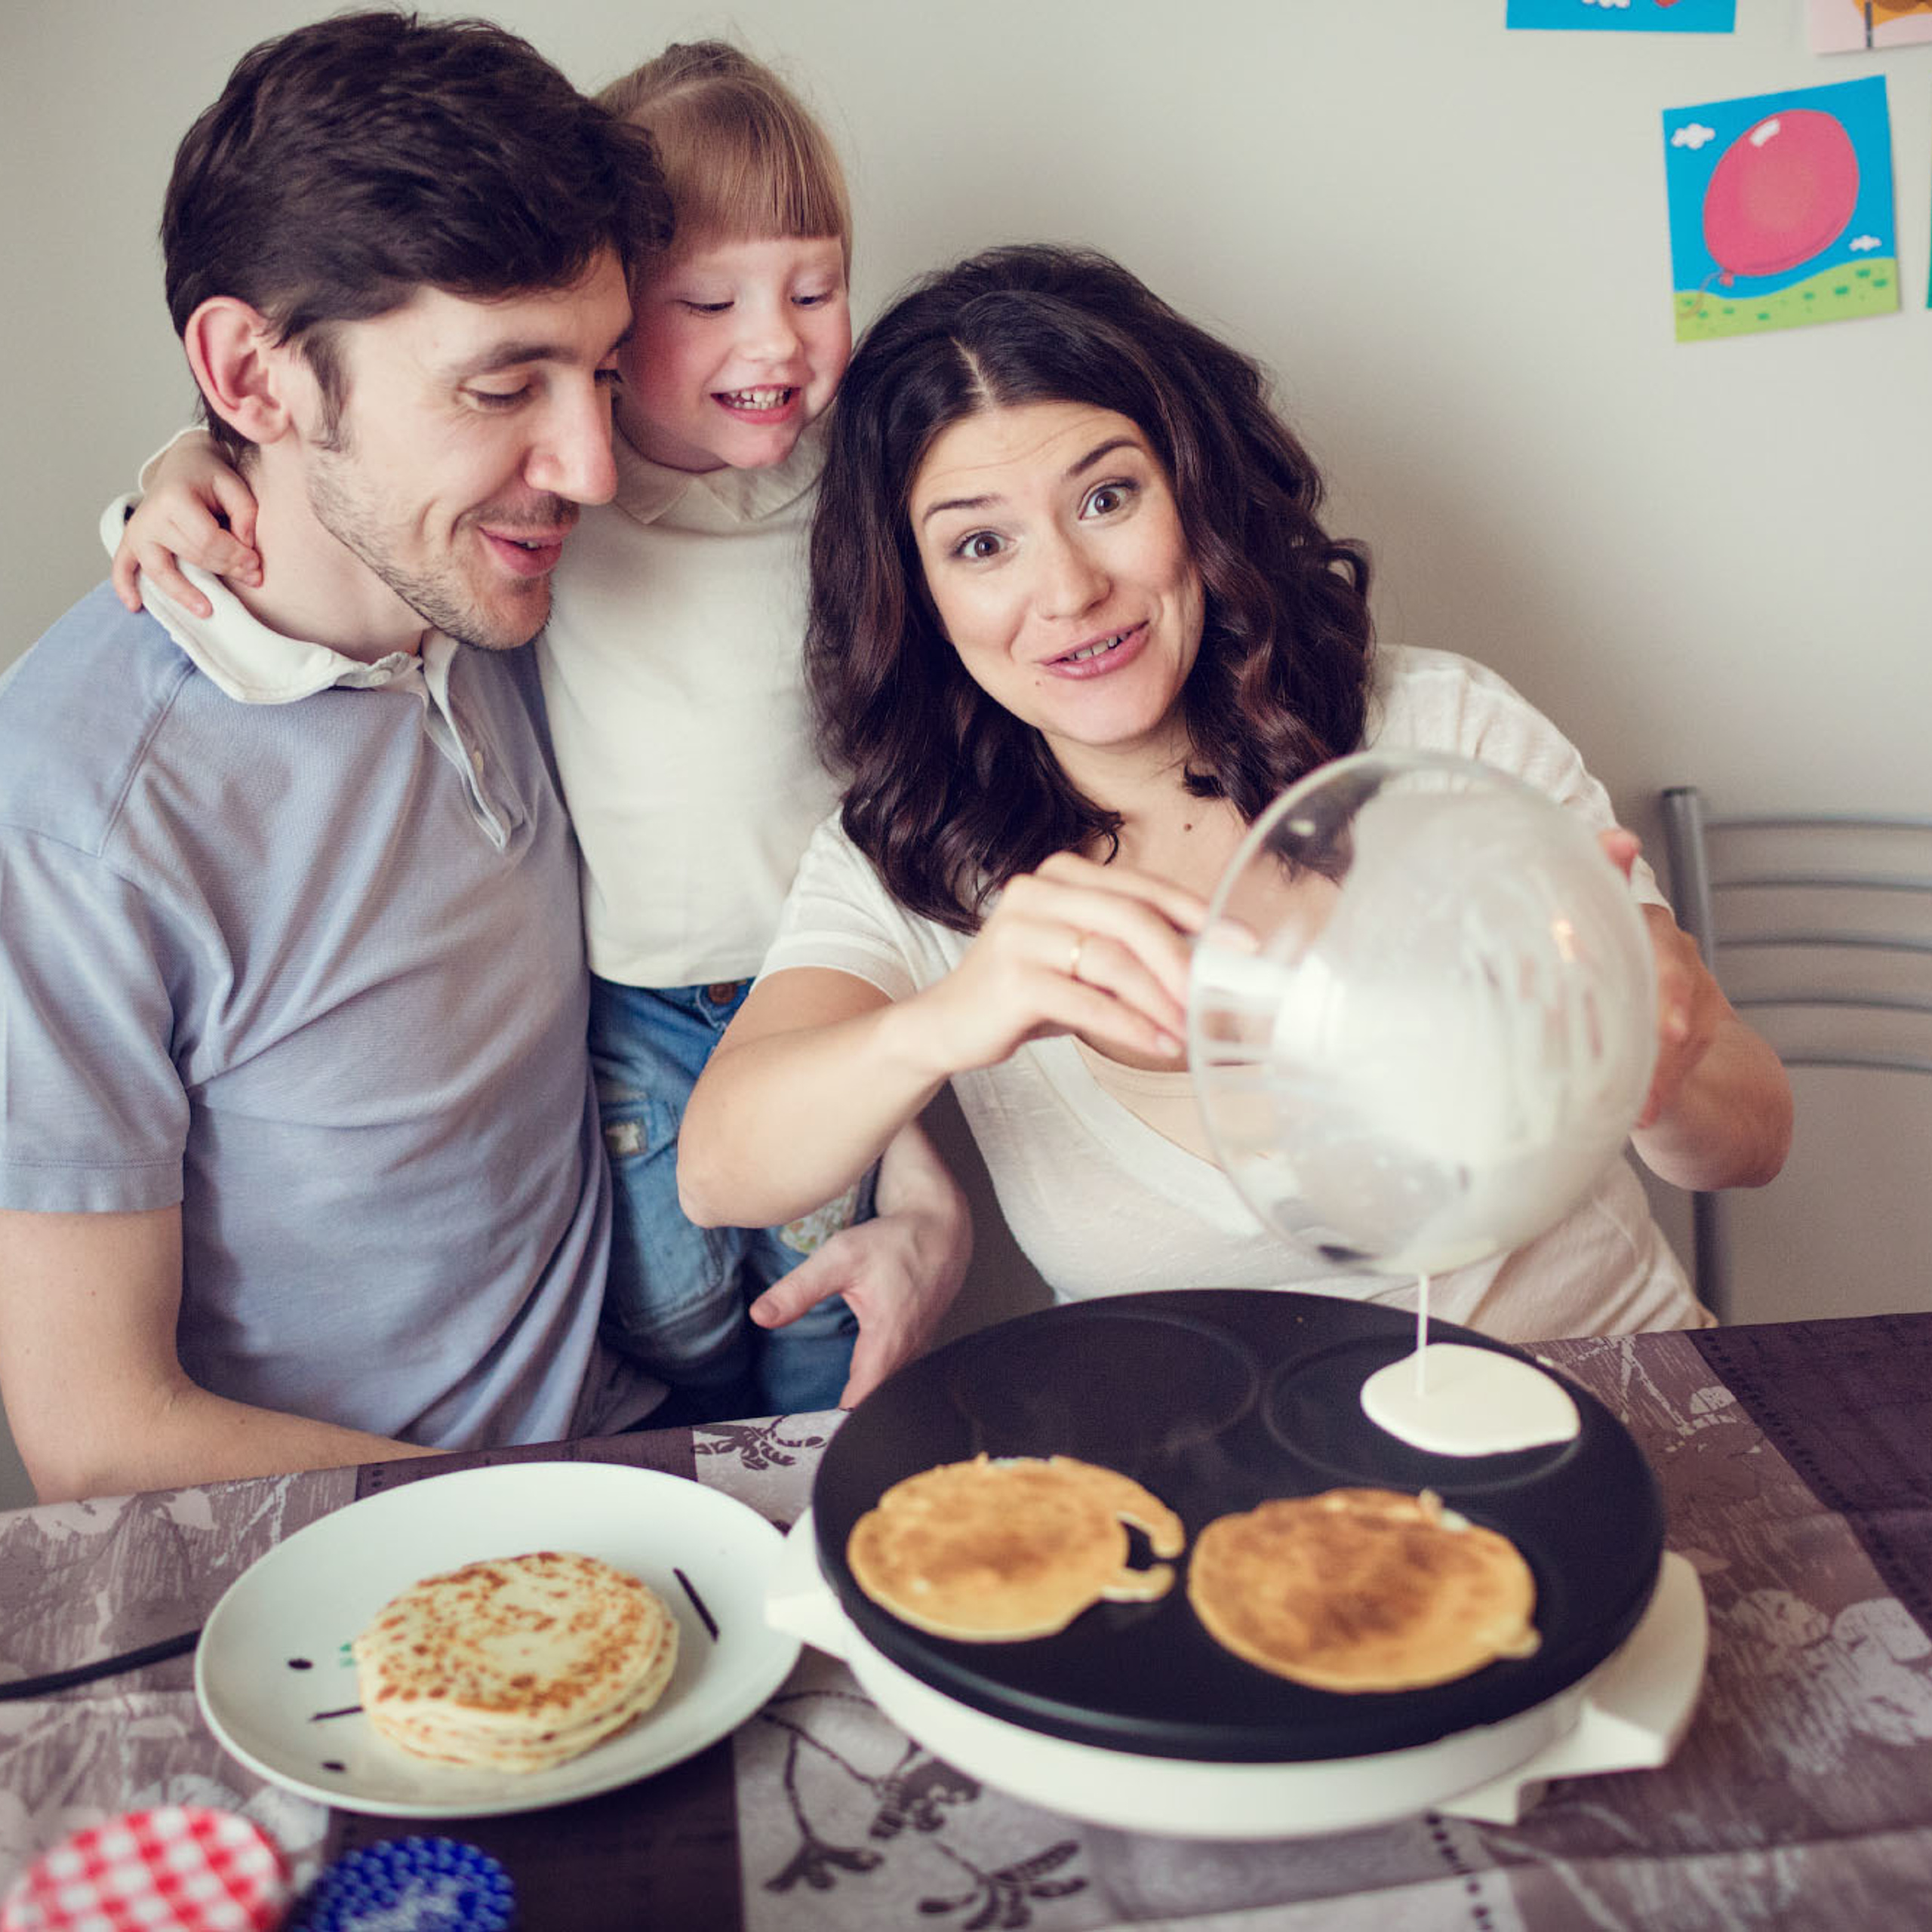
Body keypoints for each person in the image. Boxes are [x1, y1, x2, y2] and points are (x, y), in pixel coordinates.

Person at [677, 244, 1793, 1358]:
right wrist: (950, 1019)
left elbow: (1754, 1141)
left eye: (1107, 497)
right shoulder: (909, 860)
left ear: (1194, 490)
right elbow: (719, 1172)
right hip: (1215, 1464)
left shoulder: (1444, 732)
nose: (1069, 591)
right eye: (981, 544)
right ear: (916, 594)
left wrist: (1654, 1063)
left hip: (1613, 1402)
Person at [106, 42, 971, 1424]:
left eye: (815, 291)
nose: (582, 466)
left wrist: (916, 1128)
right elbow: (319, 469)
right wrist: (178, 468)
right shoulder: (544, 525)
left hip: (822, 987)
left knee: (823, 1317)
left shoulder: (832, 490)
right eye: (711, 303)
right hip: (640, 1007)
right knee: (677, 1300)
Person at [0, 13, 672, 1503]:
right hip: (376, 1550)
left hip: (650, 1425)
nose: (590, 468)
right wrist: (562, 1524)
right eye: (502, 387)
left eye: (602, 373)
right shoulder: (69, 817)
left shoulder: (506, 598)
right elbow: (98, 1434)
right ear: (254, 376)